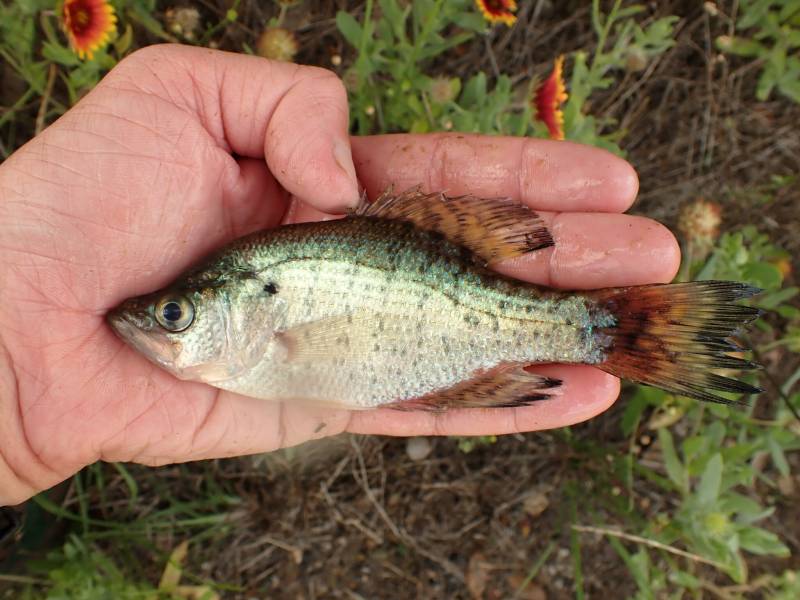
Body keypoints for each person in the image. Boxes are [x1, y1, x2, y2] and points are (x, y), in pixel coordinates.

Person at [0, 45, 679, 506]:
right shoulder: (246, 303)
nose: (155, 321)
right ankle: (605, 331)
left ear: (247, 306)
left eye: (178, 313)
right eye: (173, 313)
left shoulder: (255, 307)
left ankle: (605, 330)